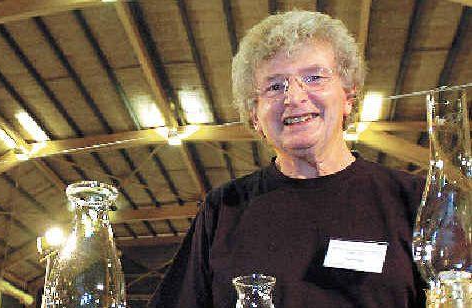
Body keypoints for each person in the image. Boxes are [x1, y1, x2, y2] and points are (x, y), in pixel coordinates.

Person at [149, 10, 426, 308]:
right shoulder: (223, 210)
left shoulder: (414, 199)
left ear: (348, 96)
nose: (294, 97)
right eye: (275, 86)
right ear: (255, 116)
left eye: (314, 78)